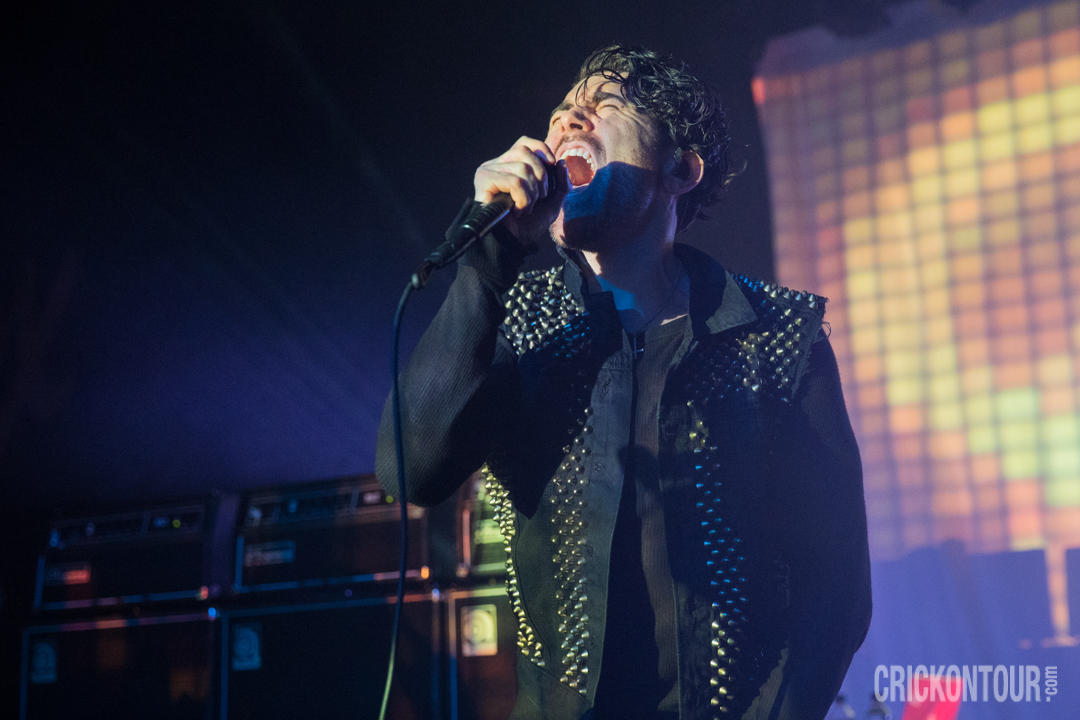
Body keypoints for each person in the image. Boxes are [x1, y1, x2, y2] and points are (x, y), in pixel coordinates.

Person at [376, 45, 871, 720]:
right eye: (562, 111)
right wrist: (488, 261)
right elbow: (411, 472)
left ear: (681, 170)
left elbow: (836, 588)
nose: (568, 120)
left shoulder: (776, 338)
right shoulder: (519, 323)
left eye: (604, 106)